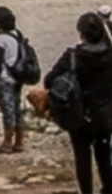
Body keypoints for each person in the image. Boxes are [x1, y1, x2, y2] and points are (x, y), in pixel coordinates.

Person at [43, 12, 112, 194]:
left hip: (79, 114)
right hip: (105, 115)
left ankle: (86, 192)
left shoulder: (73, 56)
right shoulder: (110, 54)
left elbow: (49, 80)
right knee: (104, 156)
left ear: (81, 33)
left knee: (82, 158)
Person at [0, 6, 25, 154]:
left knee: (7, 110)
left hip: (3, 79)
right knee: (16, 109)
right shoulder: (17, 36)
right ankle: (19, 141)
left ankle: (7, 143)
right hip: (16, 77)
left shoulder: (0, 41)